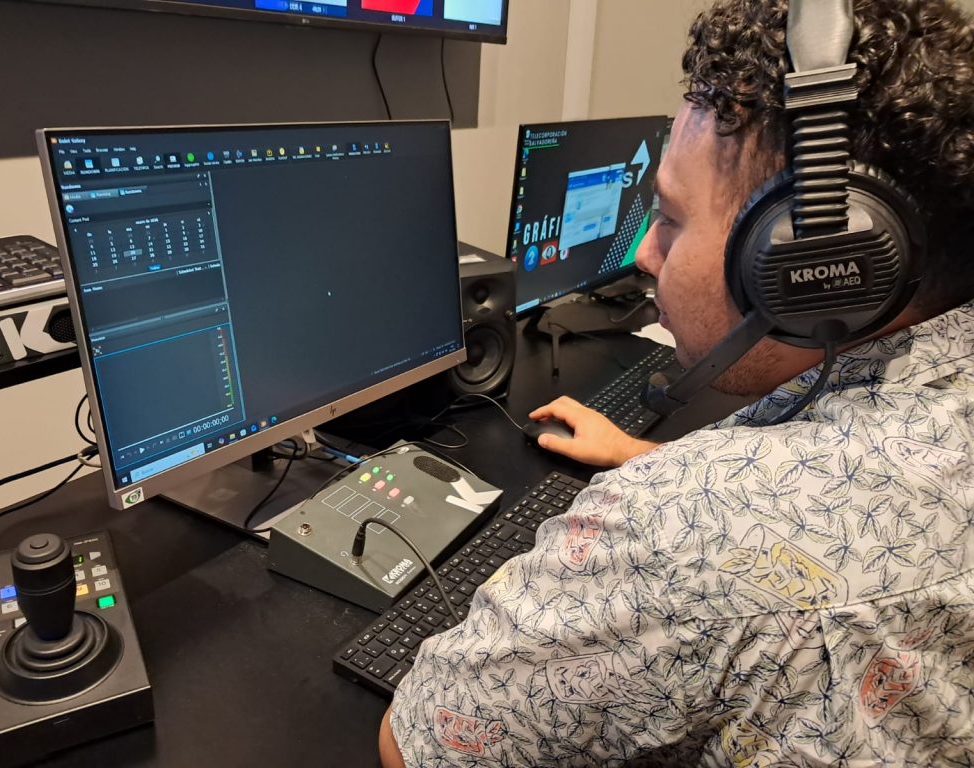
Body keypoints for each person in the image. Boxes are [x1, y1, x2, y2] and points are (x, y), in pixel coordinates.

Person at [380, 0, 974, 765]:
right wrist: (645, 456)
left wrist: (655, 509)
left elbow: (411, 745)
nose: (645, 254)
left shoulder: (681, 532)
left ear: (816, 269)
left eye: (668, 216)